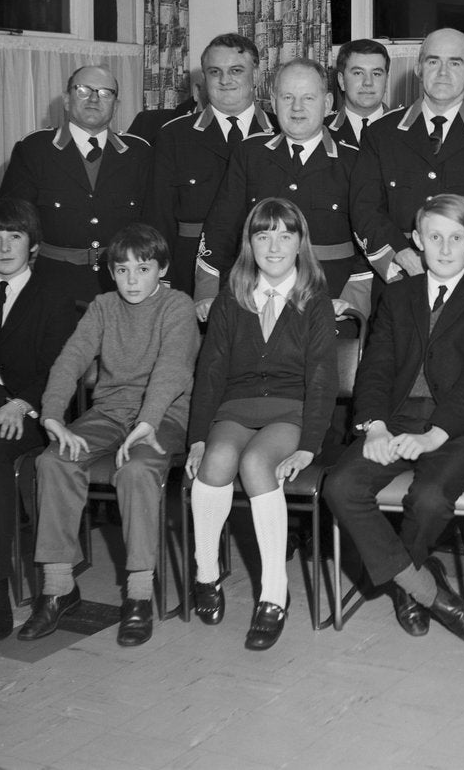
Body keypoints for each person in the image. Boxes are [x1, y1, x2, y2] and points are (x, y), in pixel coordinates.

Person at [323, 194, 464, 641]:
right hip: (396, 420)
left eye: (455, 238)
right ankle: (424, 588)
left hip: (463, 427)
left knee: (429, 499)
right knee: (342, 486)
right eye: (434, 237)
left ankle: (407, 583)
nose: (445, 249)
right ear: (416, 240)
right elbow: (376, 366)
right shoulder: (398, 294)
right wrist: (374, 425)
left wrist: (435, 436)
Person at [16, 224, 199, 647]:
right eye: (122, 270)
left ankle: (138, 595)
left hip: (164, 415)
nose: (132, 280)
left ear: (162, 269)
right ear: (110, 273)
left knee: (136, 472)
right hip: (110, 412)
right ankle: (59, 587)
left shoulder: (178, 306)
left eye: (143, 268)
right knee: (53, 460)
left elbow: (173, 369)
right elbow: (70, 361)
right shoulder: (102, 307)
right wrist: (53, 417)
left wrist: (147, 422)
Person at [186, 197, 338, 651]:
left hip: (290, 409)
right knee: (215, 461)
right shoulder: (231, 298)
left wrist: (310, 444)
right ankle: (206, 573)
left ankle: (273, 592)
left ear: (300, 243)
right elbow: (210, 371)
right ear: (249, 243)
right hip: (237, 406)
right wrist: (196, 437)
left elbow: (323, 378)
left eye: (285, 235)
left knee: (255, 465)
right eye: (263, 234)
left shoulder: (315, 300)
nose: (273, 246)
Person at [0, 199, 77, 643]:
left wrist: (20, 404)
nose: (4, 246)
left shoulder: (52, 296)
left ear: (32, 244)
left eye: (14, 236)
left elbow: (58, 368)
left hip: (28, 406)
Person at [350, 27, 464, 288]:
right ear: (419, 69)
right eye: (433, 61)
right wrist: (402, 256)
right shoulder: (381, 133)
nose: (443, 72)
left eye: (455, 62)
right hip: (401, 280)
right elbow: (365, 209)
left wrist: (462, 267)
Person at [194, 58, 366, 320]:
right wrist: (207, 292)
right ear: (273, 102)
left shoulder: (354, 162)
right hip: (255, 301)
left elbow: (370, 239)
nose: (297, 107)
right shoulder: (250, 156)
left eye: (308, 98)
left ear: (328, 103)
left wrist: (352, 300)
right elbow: (220, 228)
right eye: (287, 97)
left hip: (330, 302)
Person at [0, 64, 151, 306]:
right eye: (83, 90)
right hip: (52, 285)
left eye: (104, 93)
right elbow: (10, 224)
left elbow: (152, 223)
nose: (93, 98)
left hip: (122, 285)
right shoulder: (35, 150)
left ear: (116, 105)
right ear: (67, 100)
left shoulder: (139, 153)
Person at [145, 33, 276, 294]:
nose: (225, 80)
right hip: (191, 274)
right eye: (215, 72)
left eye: (236, 70)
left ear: (257, 75)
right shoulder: (173, 136)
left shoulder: (280, 131)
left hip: (266, 273)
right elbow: (158, 219)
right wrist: (161, 285)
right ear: (204, 78)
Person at [327, 39, 391, 150]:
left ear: (386, 81)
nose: (368, 82)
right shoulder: (321, 132)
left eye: (376, 74)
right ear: (342, 81)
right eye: (358, 73)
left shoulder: (410, 132)